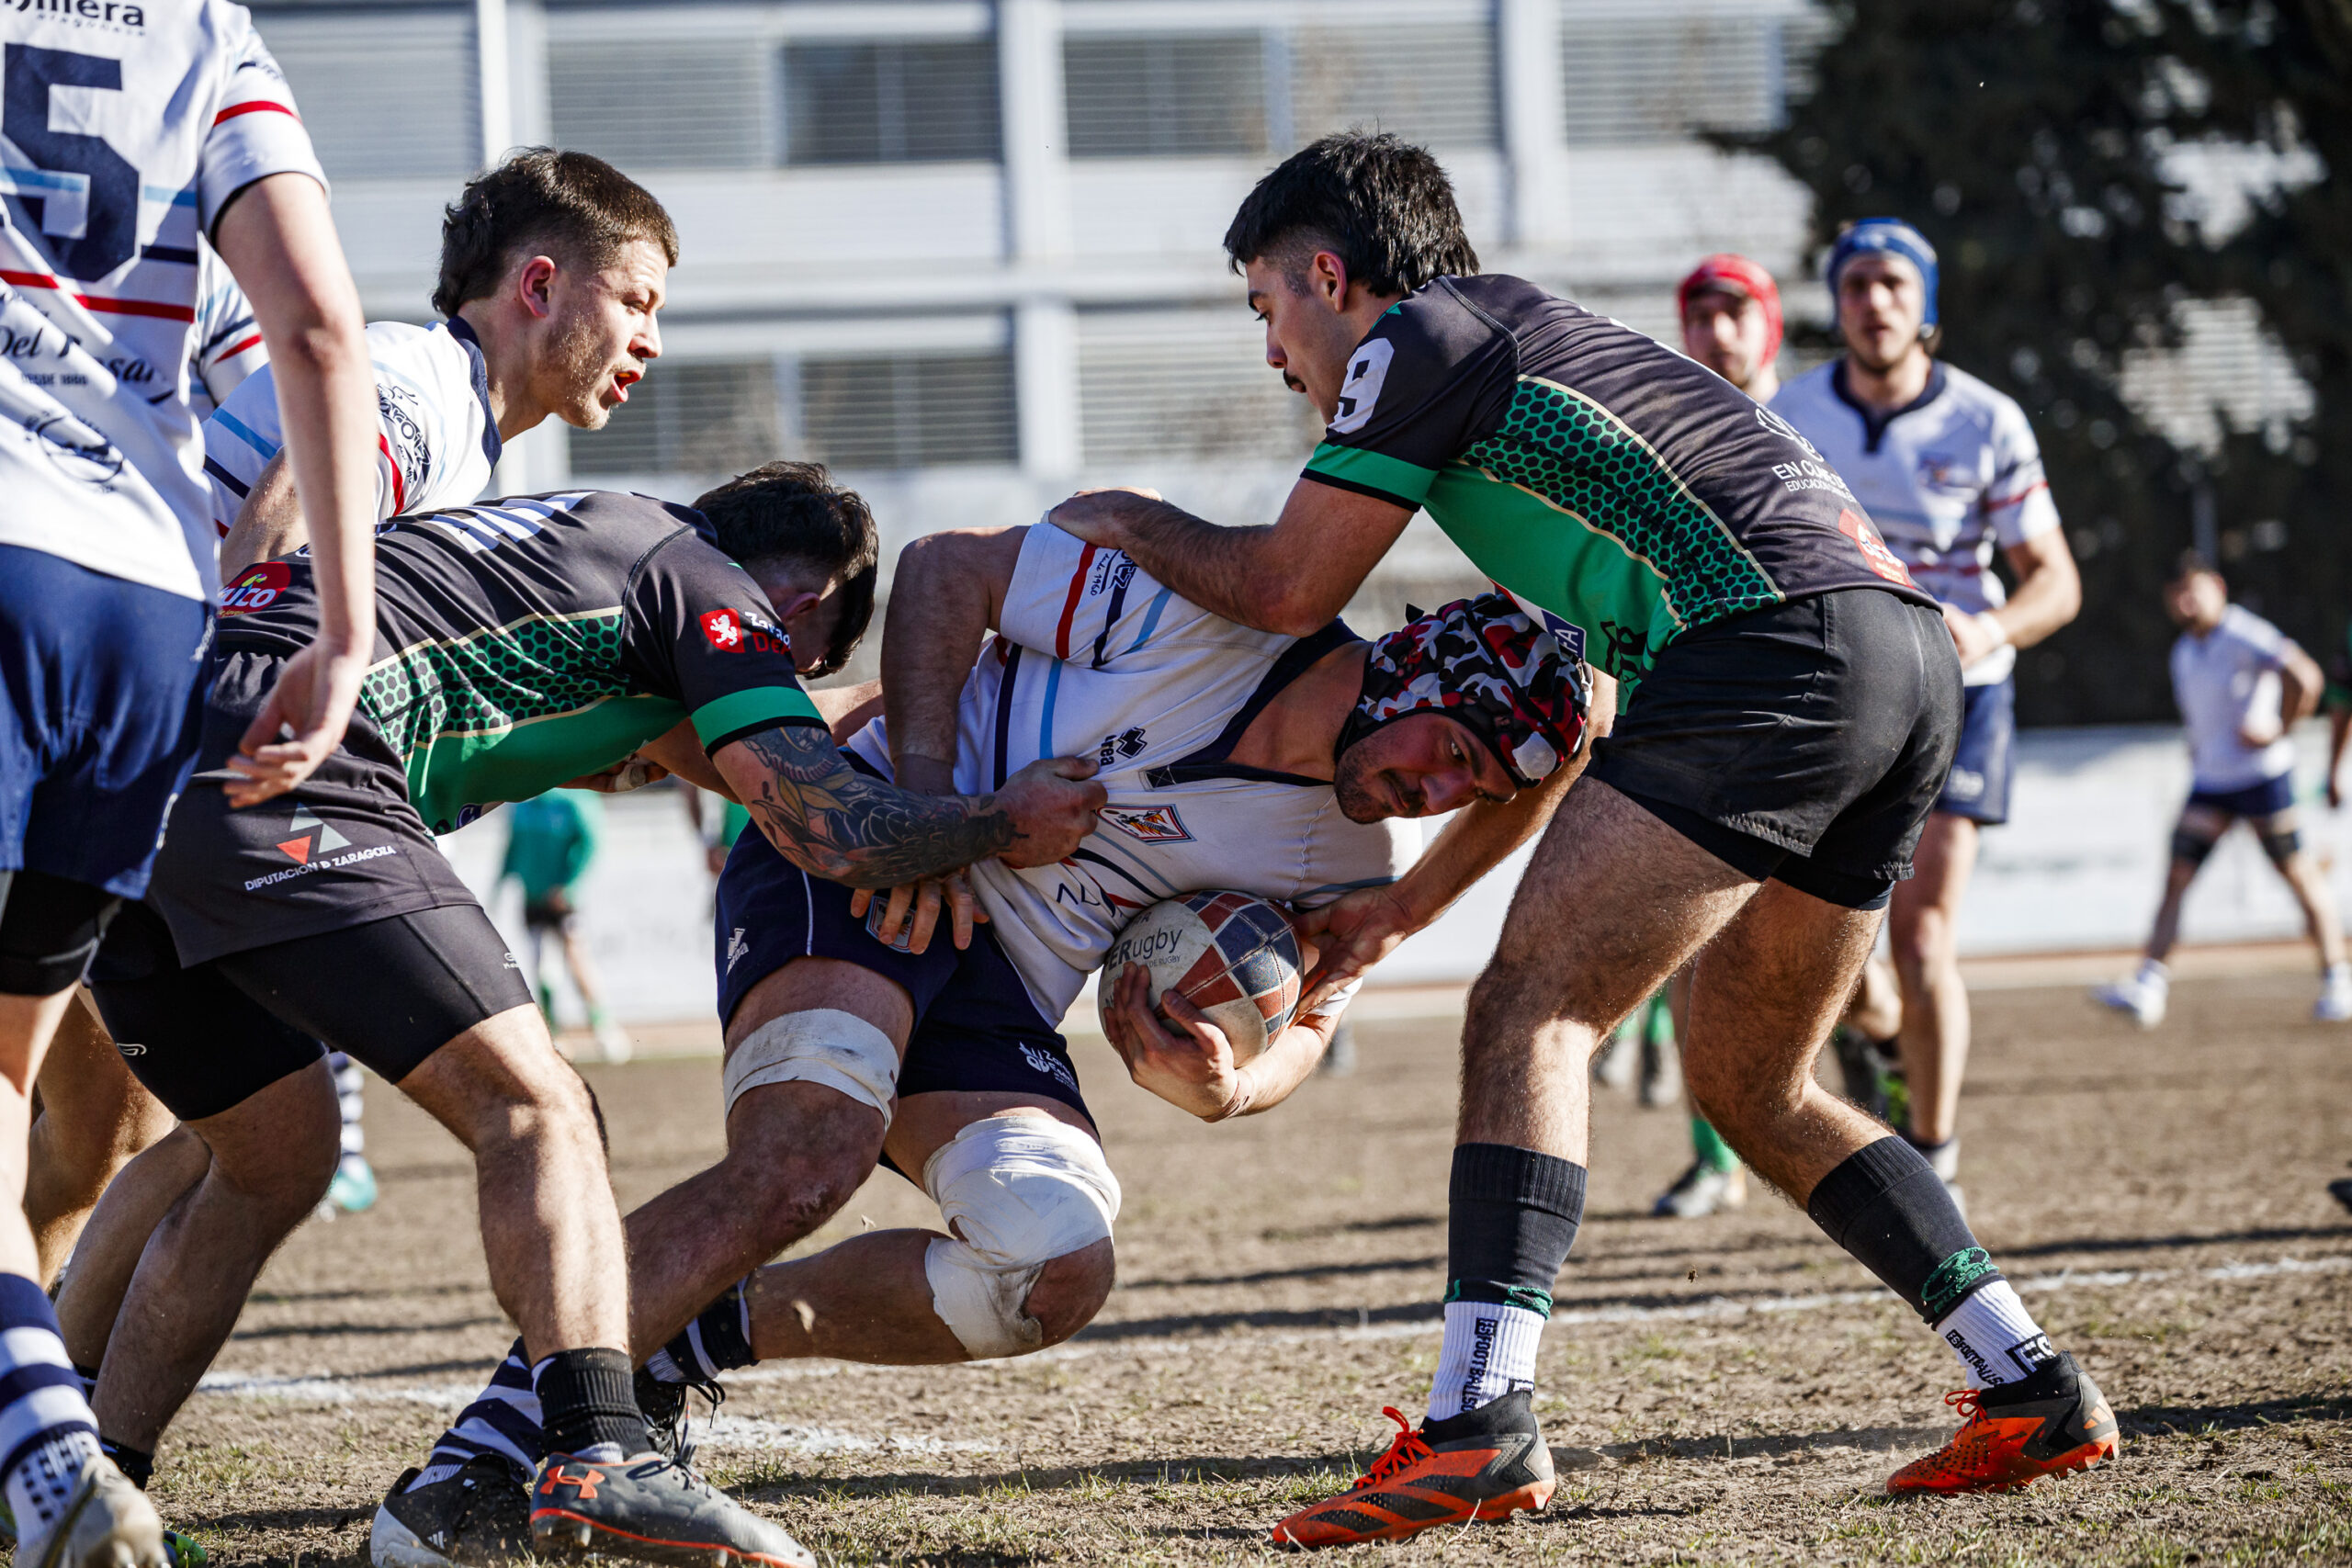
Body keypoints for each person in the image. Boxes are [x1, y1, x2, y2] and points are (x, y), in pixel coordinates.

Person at [1046, 133, 2119, 1546]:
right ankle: (2030, 1379)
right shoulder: (1528, 351)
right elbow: (1588, 716)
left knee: (1533, 1008)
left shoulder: (1419, 333)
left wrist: (1117, 516)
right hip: (1899, 658)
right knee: (1756, 1081)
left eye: (1266, 308)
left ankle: (1482, 1422)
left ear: (1327, 271)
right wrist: (1408, 905)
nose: (1273, 353)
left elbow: (1286, 580)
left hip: (1780, 650)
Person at [384, 518, 1592, 1564]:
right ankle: (474, 1460)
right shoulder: (1214, 616)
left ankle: (677, 1343)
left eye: (1470, 786)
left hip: (1001, 985)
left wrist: (1230, 1083)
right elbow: (948, 568)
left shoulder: (1341, 858)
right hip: (861, 860)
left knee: (1054, 1264)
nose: (1436, 788)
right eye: (1448, 746)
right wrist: (926, 808)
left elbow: (1314, 1018)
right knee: (812, 1154)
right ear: (1409, 668)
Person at [63, 467, 1105, 1567]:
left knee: (269, 1160)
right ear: (799, 614)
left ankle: (83, 1485)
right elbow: (824, 821)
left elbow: (670, 744)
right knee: (539, 1106)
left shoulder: (576, 550)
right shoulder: (702, 585)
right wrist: (996, 818)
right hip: (279, 764)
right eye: (789, 675)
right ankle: (598, 1449)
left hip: (108, 774)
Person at [0, 0, 384, 1559]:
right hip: (139, 597)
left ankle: (39, 1435)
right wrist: (343, 631)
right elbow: (317, 327)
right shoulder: (204, 29)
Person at [1770, 220, 2083, 1202]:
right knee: (1830, 940)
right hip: (1835, 696)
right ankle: (1879, 1033)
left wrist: (1987, 632)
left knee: (1925, 932)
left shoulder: (1987, 420)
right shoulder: (1795, 410)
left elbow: (2056, 583)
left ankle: (1932, 1161)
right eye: (1856, 283)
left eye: (1894, 284)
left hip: (1962, 699)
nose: (1874, 301)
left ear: (1928, 306)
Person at [1648, 254, 1905, 1220]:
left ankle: (1881, 1066)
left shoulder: (1819, 428)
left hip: (1826, 719)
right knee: (1680, 945)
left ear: (1768, 325)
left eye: (1735, 311)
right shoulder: (1662, 431)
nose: (1717, 330)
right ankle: (1713, 1162)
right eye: (1699, 312)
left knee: (1849, 979)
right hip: (1705, 716)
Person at [2093, 556, 2349, 1026]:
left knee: (2298, 874)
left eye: (2193, 590)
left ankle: (2338, 978)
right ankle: (2149, 984)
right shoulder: (2184, 653)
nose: (2185, 602)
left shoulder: (2243, 632)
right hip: (2212, 784)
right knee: (2176, 877)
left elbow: (2306, 677)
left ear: (2218, 587)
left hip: (2261, 778)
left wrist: (2279, 730)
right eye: (2176, 595)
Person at [502, 790, 631, 1062]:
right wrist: (499, 886)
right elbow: (512, 848)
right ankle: (555, 1034)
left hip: (563, 901)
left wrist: (570, 886)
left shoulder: (574, 801)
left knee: (576, 960)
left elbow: (591, 844)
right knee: (541, 965)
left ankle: (603, 1027)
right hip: (532, 898)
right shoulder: (520, 805)